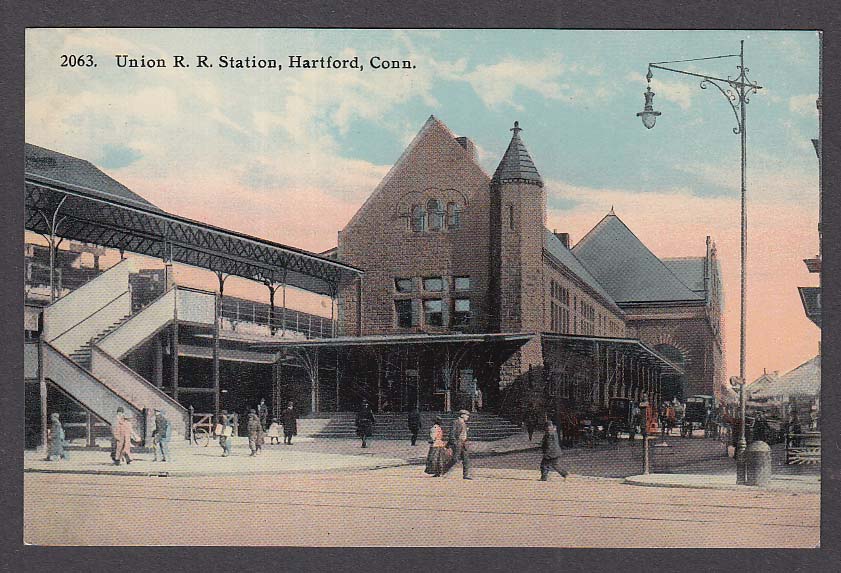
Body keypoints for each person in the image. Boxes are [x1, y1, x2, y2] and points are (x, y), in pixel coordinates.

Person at [444, 409, 472, 479]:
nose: (468, 417)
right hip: (458, 442)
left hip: (463, 443)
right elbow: (452, 433)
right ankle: (443, 470)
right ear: (462, 415)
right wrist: (454, 443)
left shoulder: (464, 423)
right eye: (467, 415)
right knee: (455, 459)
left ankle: (466, 475)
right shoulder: (455, 422)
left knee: (466, 459)